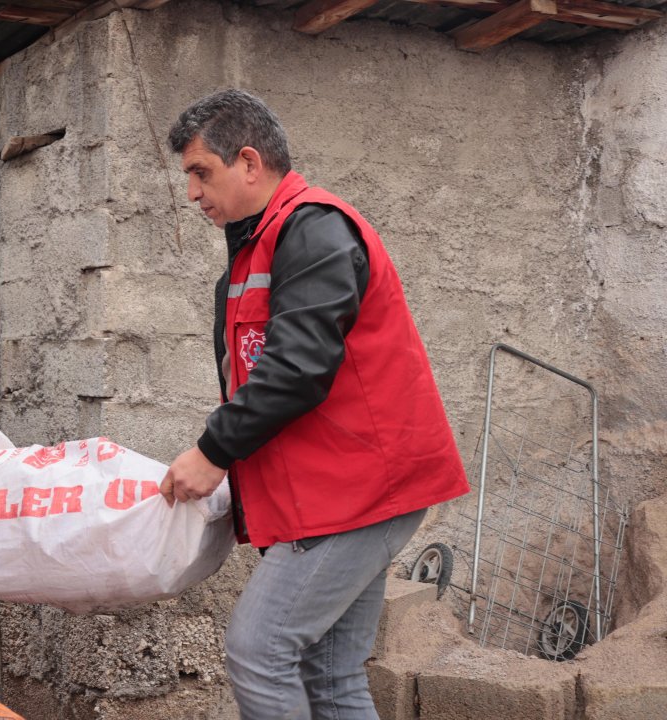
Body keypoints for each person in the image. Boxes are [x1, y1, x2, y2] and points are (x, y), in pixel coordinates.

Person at [158, 90, 470, 719]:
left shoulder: (314, 228)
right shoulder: (257, 246)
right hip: (337, 493)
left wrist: (213, 452)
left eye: (200, 173)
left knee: (258, 651)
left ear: (248, 162)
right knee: (330, 676)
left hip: (360, 492)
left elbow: (297, 368)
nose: (191, 193)